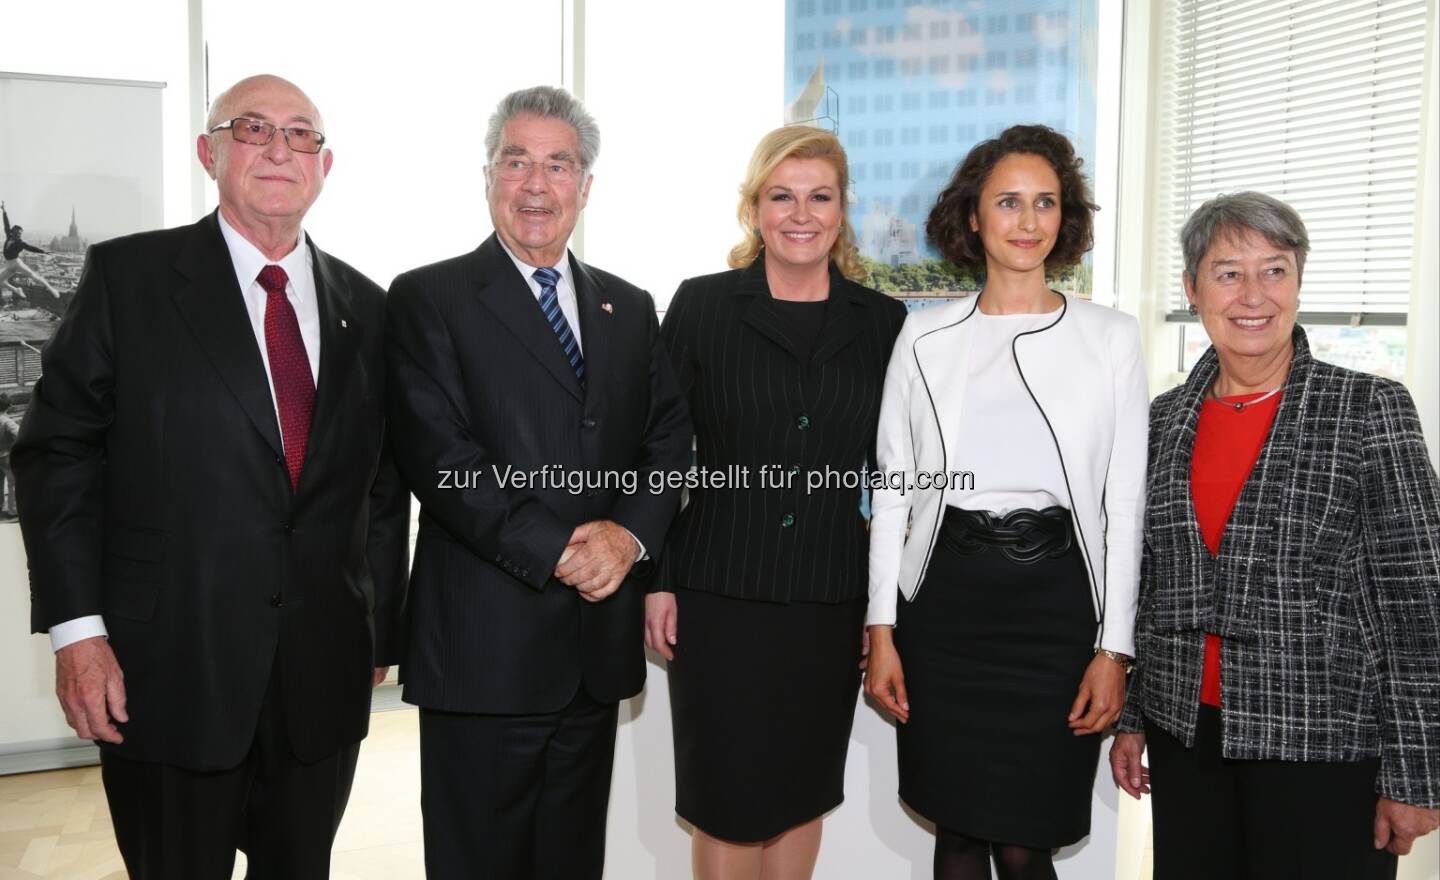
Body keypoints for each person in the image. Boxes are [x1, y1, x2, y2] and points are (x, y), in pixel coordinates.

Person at [12, 74, 410, 879]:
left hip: (319, 683)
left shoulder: (368, 309)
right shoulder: (131, 280)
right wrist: (78, 634)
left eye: (302, 134)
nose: (279, 148)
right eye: (253, 127)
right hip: (167, 673)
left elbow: (380, 483)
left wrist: (377, 630)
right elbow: (57, 457)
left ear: (323, 168)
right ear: (209, 152)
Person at [385, 84, 692, 880]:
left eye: (558, 164)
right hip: (483, 652)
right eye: (515, 160)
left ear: (585, 186)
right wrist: (562, 550)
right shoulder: (429, 298)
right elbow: (441, 462)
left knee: (570, 861)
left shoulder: (629, 305)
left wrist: (627, 537)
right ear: (487, 176)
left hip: (594, 653)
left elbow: (668, 438)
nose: (536, 183)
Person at [1109, 191, 1440, 880]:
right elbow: (1153, 583)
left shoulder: (1369, 408)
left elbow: (1419, 604)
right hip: (1187, 740)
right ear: (1193, 288)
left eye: (1275, 269)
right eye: (1229, 272)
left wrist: (1416, 774)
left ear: (1297, 282)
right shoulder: (1162, 420)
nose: (1253, 294)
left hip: (1326, 748)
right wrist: (1134, 716)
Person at [864, 125, 1149, 880]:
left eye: (1046, 202)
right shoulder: (922, 336)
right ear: (973, 219)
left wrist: (1114, 649)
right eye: (1009, 202)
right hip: (944, 611)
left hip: (1057, 616)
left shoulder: (1110, 337)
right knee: (956, 835)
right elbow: (894, 491)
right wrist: (882, 631)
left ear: (1067, 219)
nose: (1028, 221)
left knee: (1026, 847)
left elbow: (1126, 506)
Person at [645, 126, 906, 879]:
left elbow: (894, 476)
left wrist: (880, 610)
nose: (801, 213)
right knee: (727, 795)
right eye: (781, 196)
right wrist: (657, 577)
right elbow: (660, 453)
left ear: (842, 209)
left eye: (820, 196)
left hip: (829, 597)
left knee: (800, 790)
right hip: (718, 591)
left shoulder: (882, 324)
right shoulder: (701, 307)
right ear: (754, 209)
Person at [2, 201, 62, 298]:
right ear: (12, 232)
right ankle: (16, 290)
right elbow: (6, 224)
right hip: (8, 264)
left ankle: (51, 288)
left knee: (34, 276)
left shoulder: (20, 243)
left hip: (16, 263)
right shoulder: (9, 236)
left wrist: (43, 252)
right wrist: (4, 211)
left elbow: (30, 248)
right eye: (17, 233)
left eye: (20, 234)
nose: (19, 235)